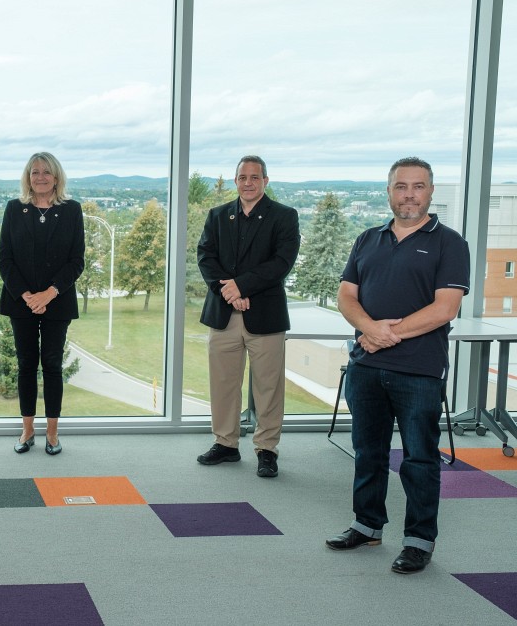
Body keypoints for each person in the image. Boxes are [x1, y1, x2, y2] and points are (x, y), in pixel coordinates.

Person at [325, 157, 469, 575]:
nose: (409, 195)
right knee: (367, 452)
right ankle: (366, 525)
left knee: (419, 458)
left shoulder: (449, 243)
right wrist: (370, 329)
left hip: (418, 370)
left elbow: (445, 308)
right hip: (366, 366)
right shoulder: (367, 238)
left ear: (430, 191)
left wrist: (386, 334)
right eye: (401, 186)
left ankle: (419, 541)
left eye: (418, 186)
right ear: (388, 192)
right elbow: (346, 296)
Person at [196, 155, 300, 477]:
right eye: (243, 177)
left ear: (265, 181)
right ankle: (225, 443)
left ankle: (266, 449)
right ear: (236, 181)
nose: (248, 183)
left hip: (265, 316)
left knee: (268, 387)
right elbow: (205, 257)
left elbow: (281, 263)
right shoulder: (217, 215)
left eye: (255, 177)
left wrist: (241, 286)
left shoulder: (284, 216)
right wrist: (229, 292)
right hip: (223, 313)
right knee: (223, 383)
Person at [0, 152, 85, 455]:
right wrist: (27, 296)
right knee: (25, 365)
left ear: (56, 177)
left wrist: (49, 293)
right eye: (35, 172)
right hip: (20, 301)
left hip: (57, 302)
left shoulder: (72, 210)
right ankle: (27, 430)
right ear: (28, 177)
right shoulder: (14, 208)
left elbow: (76, 261)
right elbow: (5, 259)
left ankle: (52, 433)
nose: (41, 177)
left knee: (52, 365)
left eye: (46, 172)